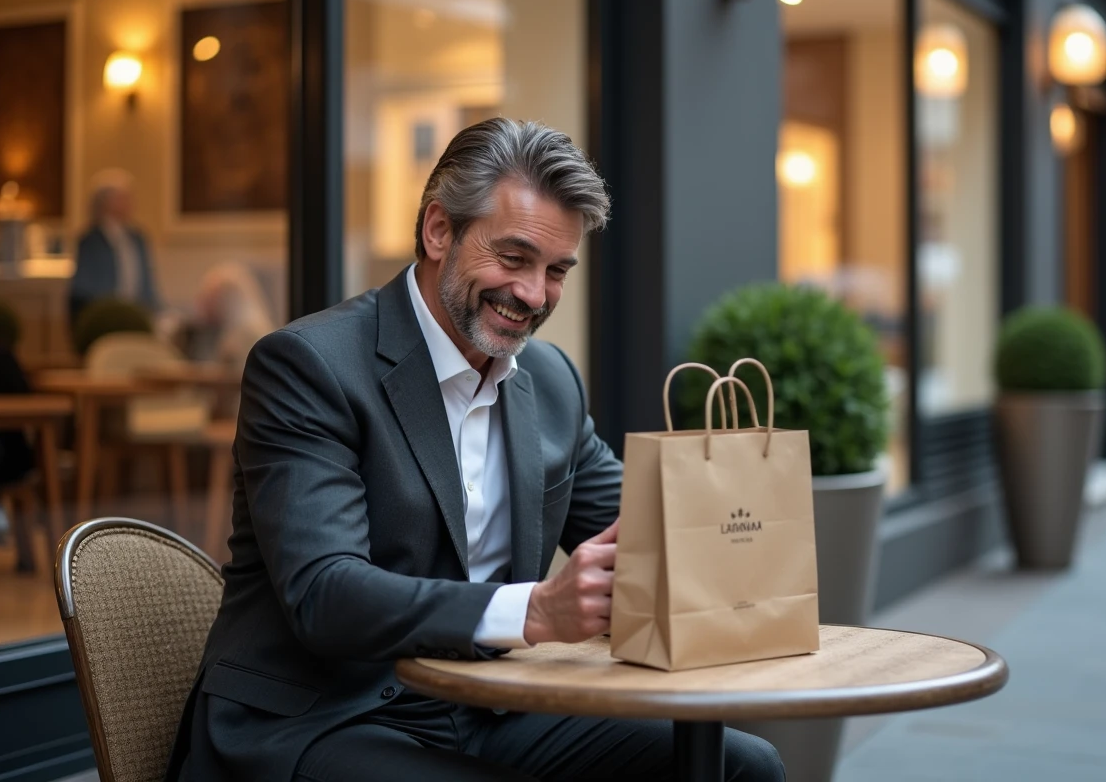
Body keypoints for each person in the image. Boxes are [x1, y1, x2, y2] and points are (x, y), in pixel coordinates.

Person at [165, 118, 785, 782]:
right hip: (319, 719)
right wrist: (539, 610)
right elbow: (326, 594)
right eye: (514, 258)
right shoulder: (309, 366)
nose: (533, 294)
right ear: (439, 230)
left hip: (485, 705)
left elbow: (645, 532)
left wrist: (734, 526)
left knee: (743, 766)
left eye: (556, 271)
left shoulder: (550, 382)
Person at [68, 169, 160, 327]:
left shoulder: (138, 238)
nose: (130, 203)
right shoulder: (90, 241)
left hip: (137, 314)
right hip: (105, 318)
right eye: (123, 198)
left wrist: (157, 312)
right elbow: (83, 288)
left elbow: (148, 284)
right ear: (106, 202)